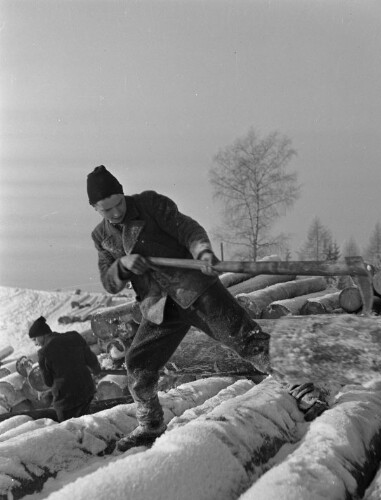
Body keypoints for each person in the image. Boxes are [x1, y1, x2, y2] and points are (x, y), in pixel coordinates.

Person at [87, 165, 279, 451]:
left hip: (195, 289)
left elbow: (187, 228)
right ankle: (150, 425)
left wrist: (202, 252)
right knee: (138, 363)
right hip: (158, 305)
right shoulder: (101, 236)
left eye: (118, 204)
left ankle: (302, 386)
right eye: (106, 210)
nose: (115, 213)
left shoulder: (150, 204)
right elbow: (108, 282)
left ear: (123, 195)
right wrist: (122, 265)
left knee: (246, 339)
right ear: (95, 208)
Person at [29, 316, 101, 422]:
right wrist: (96, 370)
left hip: (66, 402)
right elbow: (92, 361)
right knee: (90, 424)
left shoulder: (43, 353)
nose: (35, 343)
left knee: (71, 431)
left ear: (42, 334)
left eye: (35, 339)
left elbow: (48, 382)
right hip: (87, 392)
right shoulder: (74, 336)